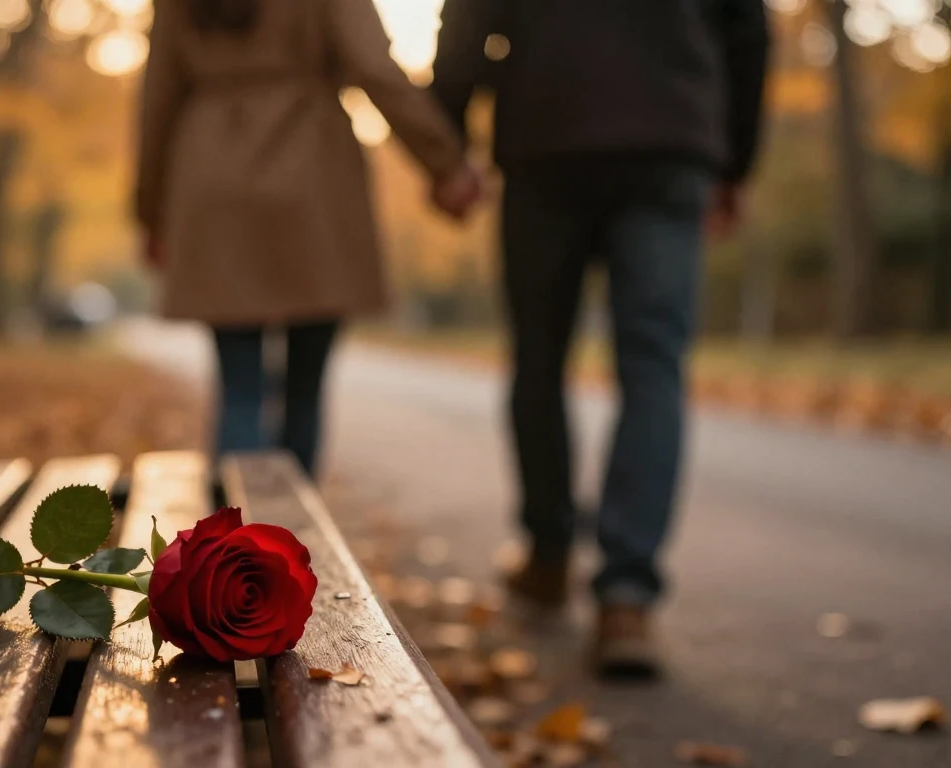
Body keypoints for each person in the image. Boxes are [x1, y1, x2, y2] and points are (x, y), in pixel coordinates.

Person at [430, 0, 770, 677]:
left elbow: (467, 18)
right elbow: (747, 30)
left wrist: (448, 143)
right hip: (670, 134)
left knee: (538, 356)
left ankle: (549, 555)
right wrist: (734, 161)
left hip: (548, 129)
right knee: (653, 365)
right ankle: (626, 597)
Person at [137, 0, 480, 478]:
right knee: (305, 388)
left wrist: (151, 212)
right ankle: (290, 522)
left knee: (239, 388)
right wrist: (445, 162)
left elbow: (157, 98)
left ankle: (235, 523)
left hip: (213, 179)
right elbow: (376, 69)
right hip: (312, 177)